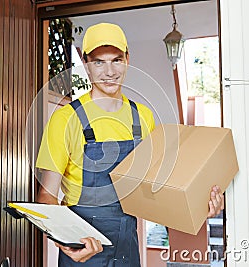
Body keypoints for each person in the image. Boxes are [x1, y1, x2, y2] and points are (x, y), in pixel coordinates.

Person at [36, 22, 224, 266]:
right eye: (98, 62)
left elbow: (157, 188)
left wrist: (199, 205)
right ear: (85, 63)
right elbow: (46, 196)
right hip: (83, 253)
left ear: (127, 58)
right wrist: (67, 241)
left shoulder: (142, 116)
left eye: (116, 59)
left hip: (128, 250)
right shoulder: (66, 119)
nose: (109, 71)